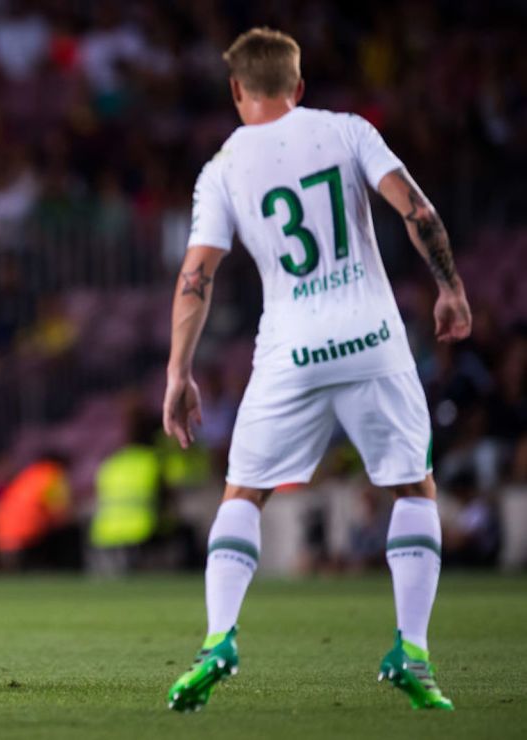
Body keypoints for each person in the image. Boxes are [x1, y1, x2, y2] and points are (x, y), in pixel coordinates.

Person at [161, 28, 471, 712]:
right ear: (298, 88)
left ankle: (219, 640)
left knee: (244, 496)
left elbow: (197, 276)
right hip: (372, 339)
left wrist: (178, 372)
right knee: (413, 489)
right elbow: (416, 209)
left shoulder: (223, 168)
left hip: (290, 351)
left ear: (237, 90)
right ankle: (412, 653)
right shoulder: (348, 131)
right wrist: (449, 287)